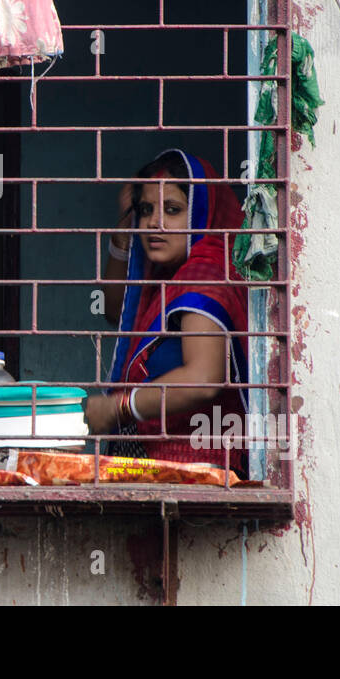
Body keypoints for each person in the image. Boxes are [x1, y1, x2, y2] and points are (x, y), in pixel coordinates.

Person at [84, 148, 250, 472]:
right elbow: (115, 310)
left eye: (172, 209)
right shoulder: (166, 279)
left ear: (202, 212)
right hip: (163, 470)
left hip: (199, 477)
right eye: (146, 210)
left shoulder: (205, 275)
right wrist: (123, 233)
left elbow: (203, 378)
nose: (154, 222)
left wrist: (119, 406)